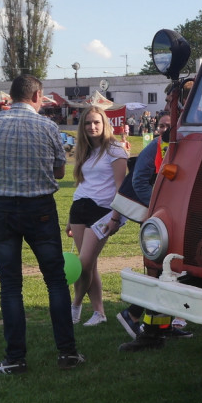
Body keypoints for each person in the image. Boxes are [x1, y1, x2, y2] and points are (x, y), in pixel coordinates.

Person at [0, 75, 85, 374]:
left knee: (10, 286)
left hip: (0, 208)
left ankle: (15, 359)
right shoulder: (48, 126)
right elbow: (60, 172)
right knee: (56, 281)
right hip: (39, 209)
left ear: (10, 97)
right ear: (37, 96)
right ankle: (67, 353)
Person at [113, 111, 202, 354]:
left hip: (201, 220)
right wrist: (162, 210)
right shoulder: (159, 146)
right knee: (162, 273)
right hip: (170, 221)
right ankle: (153, 330)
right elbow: (140, 181)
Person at [67, 106, 128, 326]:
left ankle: (74, 305)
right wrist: (69, 219)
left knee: (83, 264)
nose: (92, 127)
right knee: (89, 265)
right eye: (87, 123)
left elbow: (122, 188)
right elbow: (82, 185)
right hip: (79, 208)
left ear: (104, 124)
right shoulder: (84, 150)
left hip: (103, 212)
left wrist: (115, 218)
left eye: (96, 122)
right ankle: (99, 313)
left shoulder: (115, 149)